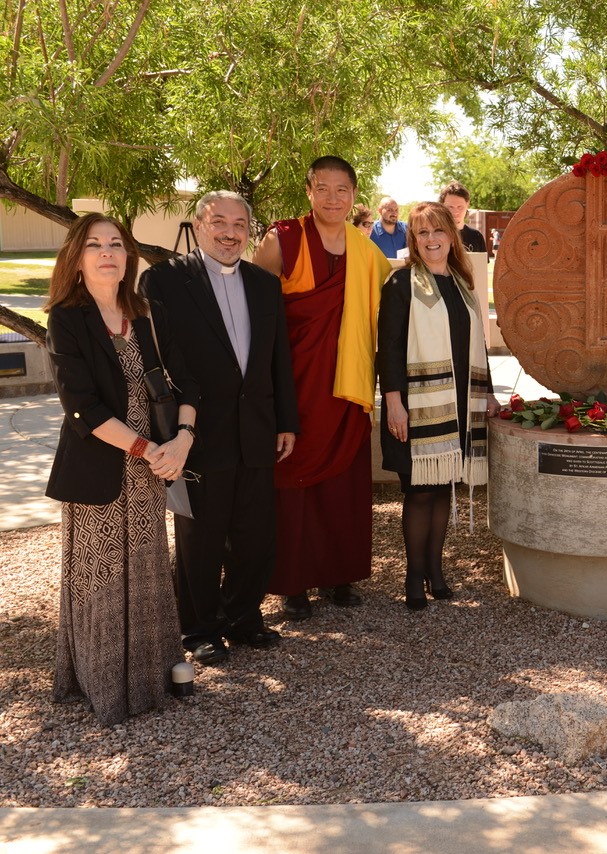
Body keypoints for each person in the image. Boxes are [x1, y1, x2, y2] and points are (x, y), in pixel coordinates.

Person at [44, 213, 197, 725]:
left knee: (147, 570)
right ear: (77, 258)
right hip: (101, 470)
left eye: (116, 243)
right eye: (94, 245)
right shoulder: (67, 318)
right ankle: (108, 687)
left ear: (129, 257)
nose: (107, 252)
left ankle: (152, 677)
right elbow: (81, 407)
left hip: (152, 468)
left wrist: (183, 440)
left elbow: (187, 383)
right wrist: (148, 449)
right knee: (103, 579)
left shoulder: (147, 313)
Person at [140, 191, 300, 664]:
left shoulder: (264, 284)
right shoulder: (164, 280)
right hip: (197, 431)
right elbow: (157, 359)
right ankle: (199, 628)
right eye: (219, 222)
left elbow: (278, 358)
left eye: (239, 224)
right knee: (202, 538)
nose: (230, 233)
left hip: (257, 429)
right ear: (199, 225)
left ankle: (245, 618)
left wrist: (286, 420)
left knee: (255, 534)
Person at [253, 156, 391, 619]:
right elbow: (255, 311)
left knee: (343, 482)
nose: (333, 198)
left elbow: (389, 307)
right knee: (291, 477)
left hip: (347, 385)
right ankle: (292, 583)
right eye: (324, 188)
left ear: (354, 195)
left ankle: (339, 575)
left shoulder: (365, 250)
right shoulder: (281, 239)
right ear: (309, 191)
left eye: (342, 189)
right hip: (295, 380)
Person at [377, 202, 500, 608]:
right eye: (422, 232)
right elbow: (388, 349)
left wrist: (489, 393)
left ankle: (436, 569)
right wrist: (394, 403)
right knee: (419, 492)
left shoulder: (462, 284)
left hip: (459, 402)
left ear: (451, 235)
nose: (431, 239)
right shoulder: (401, 284)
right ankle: (414, 576)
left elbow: (478, 345)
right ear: (414, 239)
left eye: (438, 231)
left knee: (444, 487)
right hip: (415, 405)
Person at [439, 181, 489, 253]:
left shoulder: (477, 236)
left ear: (467, 205)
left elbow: (482, 260)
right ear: (442, 206)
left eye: (460, 207)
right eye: (450, 207)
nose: (455, 212)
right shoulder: (435, 237)